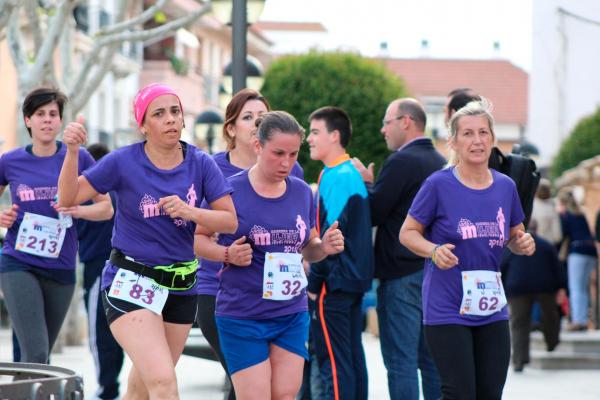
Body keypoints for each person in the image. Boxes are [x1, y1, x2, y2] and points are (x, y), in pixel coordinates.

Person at [58, 83, 237, 400]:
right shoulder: (122, 161)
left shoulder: (201, 163)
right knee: (164, 384)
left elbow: (229, 220)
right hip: (130, 281)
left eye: (175, 111)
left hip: (181, 286)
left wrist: (190, 211)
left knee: (141, 390)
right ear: (142, 125)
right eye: (159, 113)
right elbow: (68, 197)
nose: (170, 119)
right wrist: (72, 153)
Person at [195, 111, 344, 400]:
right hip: (243, 314)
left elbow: (307, 247)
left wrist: (323, 247)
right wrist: (227, 254)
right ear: (258, 146)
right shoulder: (229, 191)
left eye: (293, 154)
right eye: (278, 153)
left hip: (290, 312)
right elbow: (197, 240)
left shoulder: (302, 192)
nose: (286, 162)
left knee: (285, 395)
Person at [399, 99, 535, 399]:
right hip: (447, 307)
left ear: (493, 139)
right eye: (468, 134)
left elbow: (515, 232)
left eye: (483, 133)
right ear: (454, 142)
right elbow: (407, 233)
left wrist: (522, 242)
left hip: (491, 307)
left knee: (490, 392)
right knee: (459, 392)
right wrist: (433, 250)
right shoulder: (438, 185)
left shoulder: (505, 187)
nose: (477, 140)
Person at [194, 89, 303, 400]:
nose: (257, 123)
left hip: (280, 299)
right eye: (248, 117)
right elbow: (196, 235)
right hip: (221, 293)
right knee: (246, 384)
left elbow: (297, 235)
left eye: (262, 117)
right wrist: (226, 253)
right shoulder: (213, 169)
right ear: (231, 128)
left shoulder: (290, 171)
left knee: (273, 389)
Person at [0, 88, 113, 364]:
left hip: (61, 266)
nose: (47, 120)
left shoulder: (80, 157)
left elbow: (106, 208)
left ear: (60, 121)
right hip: (18, 261)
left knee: (39, 357)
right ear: (28, 120)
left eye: (53, 114)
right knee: (37, 354)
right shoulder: (9, 161)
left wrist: (79, 210)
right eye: (40, 114)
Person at [352, 98, 443, 400]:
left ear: (406, 121)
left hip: (400, 274)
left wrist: (366, 183)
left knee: (400, 360)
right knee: (429, 360)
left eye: (387, 122)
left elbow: (375, 212)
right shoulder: (440, 162)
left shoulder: (403, 161)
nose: (382, 130)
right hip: (432, 272)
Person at [305, 106, 374, 400]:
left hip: (335, 281)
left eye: (315, 132)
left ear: (334, 136)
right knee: (351, 359)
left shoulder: (335, 175)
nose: (309, 138)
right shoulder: (349, 173)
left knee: (334, 363)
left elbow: (329, 238)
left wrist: (314, 283)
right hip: (353, 278)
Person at [75, 143, 123, 400]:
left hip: (98, 266)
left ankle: (108, 387)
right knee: (125, 329)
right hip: (130, 266)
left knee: (100, 330)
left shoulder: (84, 193)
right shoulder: (120, 189)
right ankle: (113, 385)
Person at [500, 219, 565, 372]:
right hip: (545, 286)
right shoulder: (546, 245)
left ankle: (519, 360)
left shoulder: (510, 247)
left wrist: (502, 287)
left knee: (519, 324)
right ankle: (552, 342)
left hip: (518, 287)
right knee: (550, 315)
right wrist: (561, 286)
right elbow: (557, 267)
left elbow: (502, 266)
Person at [556, 187, 598, 331]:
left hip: (577, 251)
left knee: (576, 287)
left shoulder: (565, 215)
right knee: (584, 287)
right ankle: (584, 319)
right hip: (590, 251)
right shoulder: (580, 214)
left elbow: (561, 236)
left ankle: (579, 320)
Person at [532, 178, 562, 246]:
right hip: (548, 245)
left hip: (532, 245)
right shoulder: (552, 208)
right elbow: (557, 236)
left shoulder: (531, 207)